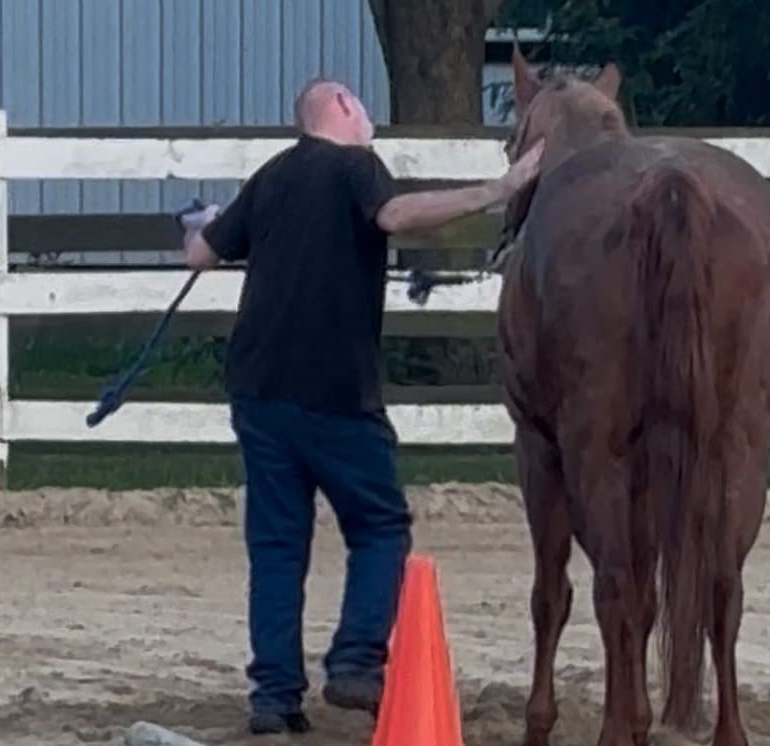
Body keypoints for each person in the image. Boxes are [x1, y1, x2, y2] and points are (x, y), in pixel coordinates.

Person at [178, 78, 543, 735]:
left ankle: (273, 699)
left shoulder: (272, 176)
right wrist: (501, 188)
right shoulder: (355, 167)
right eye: (361, 105)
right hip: (336, 389)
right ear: (342, 106)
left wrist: (197, 221)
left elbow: (201, 254)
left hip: (258, 388)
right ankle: (354, 661)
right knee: (380, 526)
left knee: (277, 546)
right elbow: (395, 217)